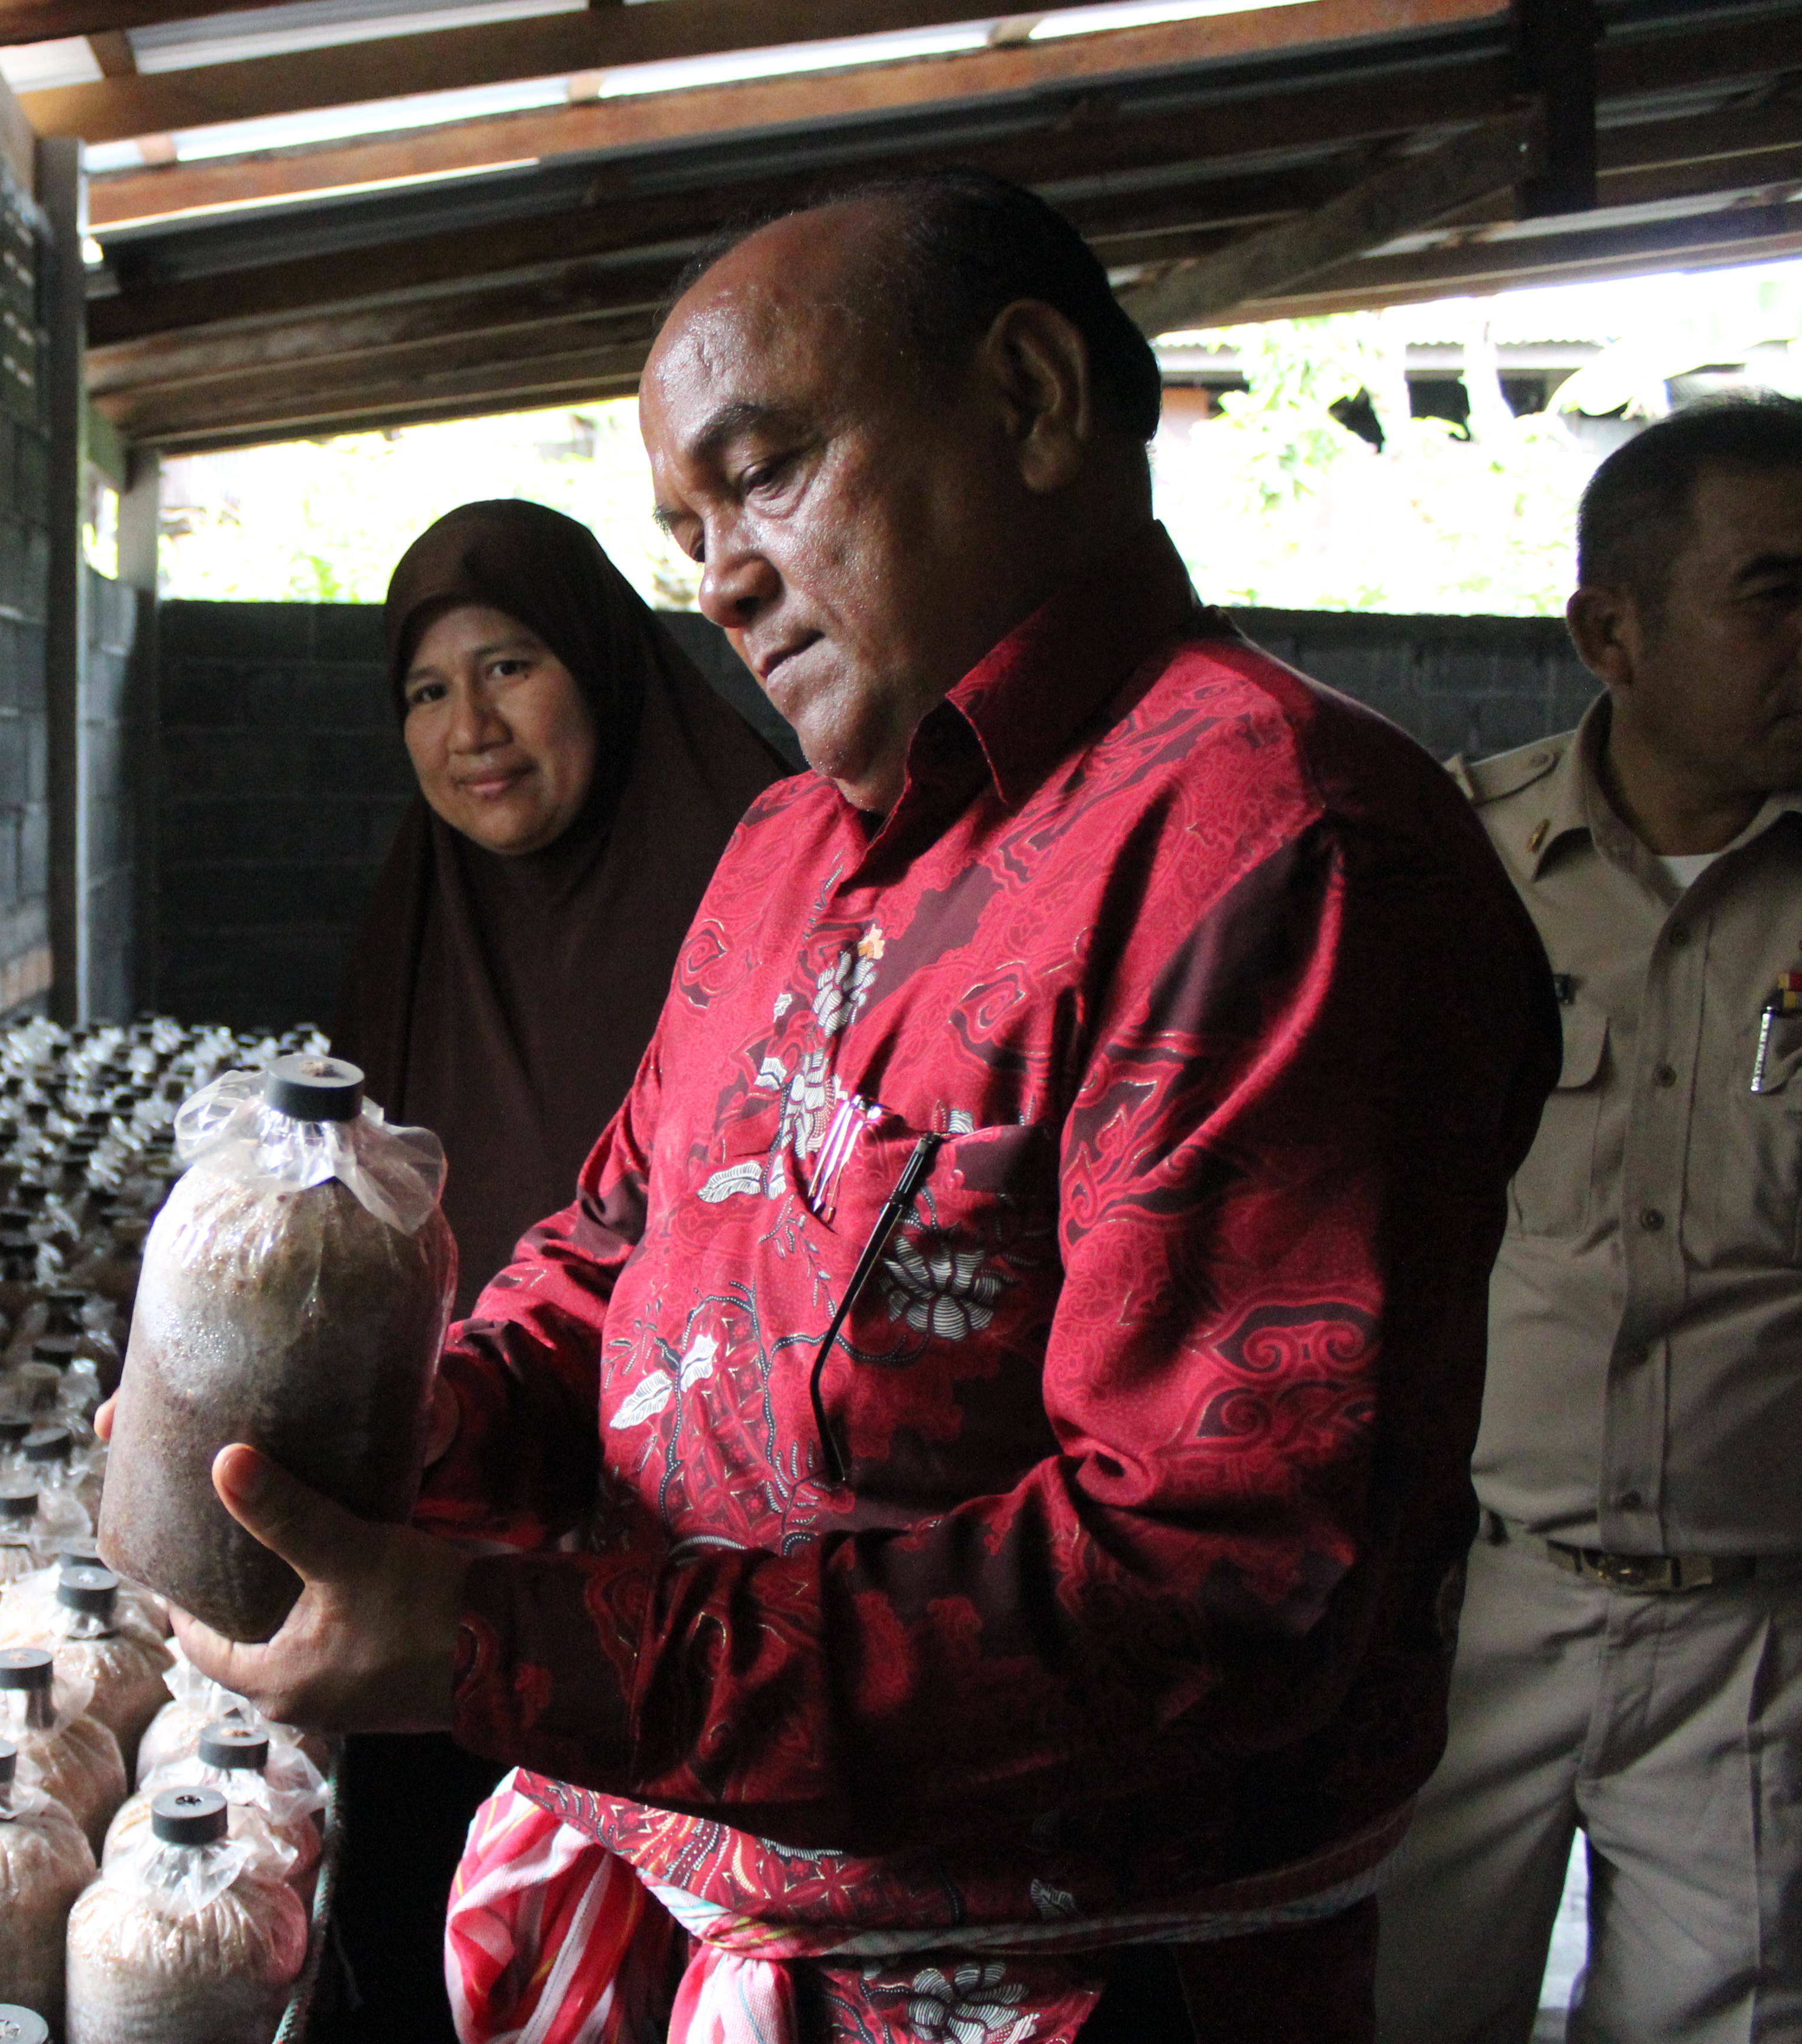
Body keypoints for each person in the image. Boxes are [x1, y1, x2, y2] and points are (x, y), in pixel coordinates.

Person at [149, 169, 1558, 2041]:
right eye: (685, 524)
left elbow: (1203, 1586)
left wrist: (503, 1642)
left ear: (1036, 399)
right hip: (703, 1908)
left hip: (1064, 1991)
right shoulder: (789, 853)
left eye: (767, 475)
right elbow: (617, 1252)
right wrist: (354, 1437)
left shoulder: (1279, 849)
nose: (720, 575)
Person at [326, 499, 789, 2035]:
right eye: (426, 690)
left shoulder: (771, 882)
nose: (472, 727)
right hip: (453, 1542)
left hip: (698, 1605)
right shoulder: (415, 922)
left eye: (510, 666)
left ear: (597, 662)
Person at [1374, 397, 1802, 2044]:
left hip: (1756, 1637)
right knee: (1389, 2007)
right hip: (1467, 1604)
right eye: (1775, 592)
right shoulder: (1449, 874)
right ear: (1606, 631)